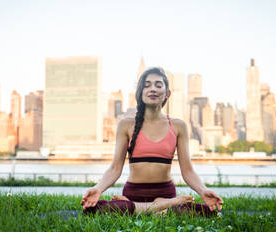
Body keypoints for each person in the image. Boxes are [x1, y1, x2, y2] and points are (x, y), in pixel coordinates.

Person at [82, 67, 223, 216]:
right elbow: (115, 169)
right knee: (91, 210)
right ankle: (162, 207)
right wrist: (98, 188)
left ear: (167, 93)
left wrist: (203, 190)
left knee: (210, 212)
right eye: (147, 85)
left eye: (158, 85)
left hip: (165, 191)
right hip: (134, 192)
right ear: (140, 92)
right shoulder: (126, 124)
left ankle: (140, 208)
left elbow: (188, 171)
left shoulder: (178, 125)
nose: (153, 89)